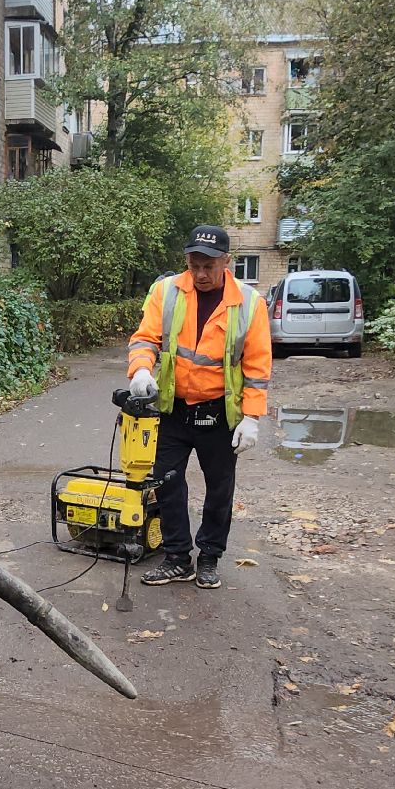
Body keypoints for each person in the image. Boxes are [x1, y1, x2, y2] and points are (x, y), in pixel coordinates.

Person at [124, 225, 273, 589]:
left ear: (227, 262)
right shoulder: (167, 291)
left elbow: (256, 367)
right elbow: (145, 338)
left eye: (209, 265)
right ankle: (177, 558)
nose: (201, 274)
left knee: (219, 489)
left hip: (219, 413)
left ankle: (209, 557)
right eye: (194, 265)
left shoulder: (249, 304)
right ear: (186, 260)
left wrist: (251, 417)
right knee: (167, 483)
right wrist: (142, 368)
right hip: (174, 409)